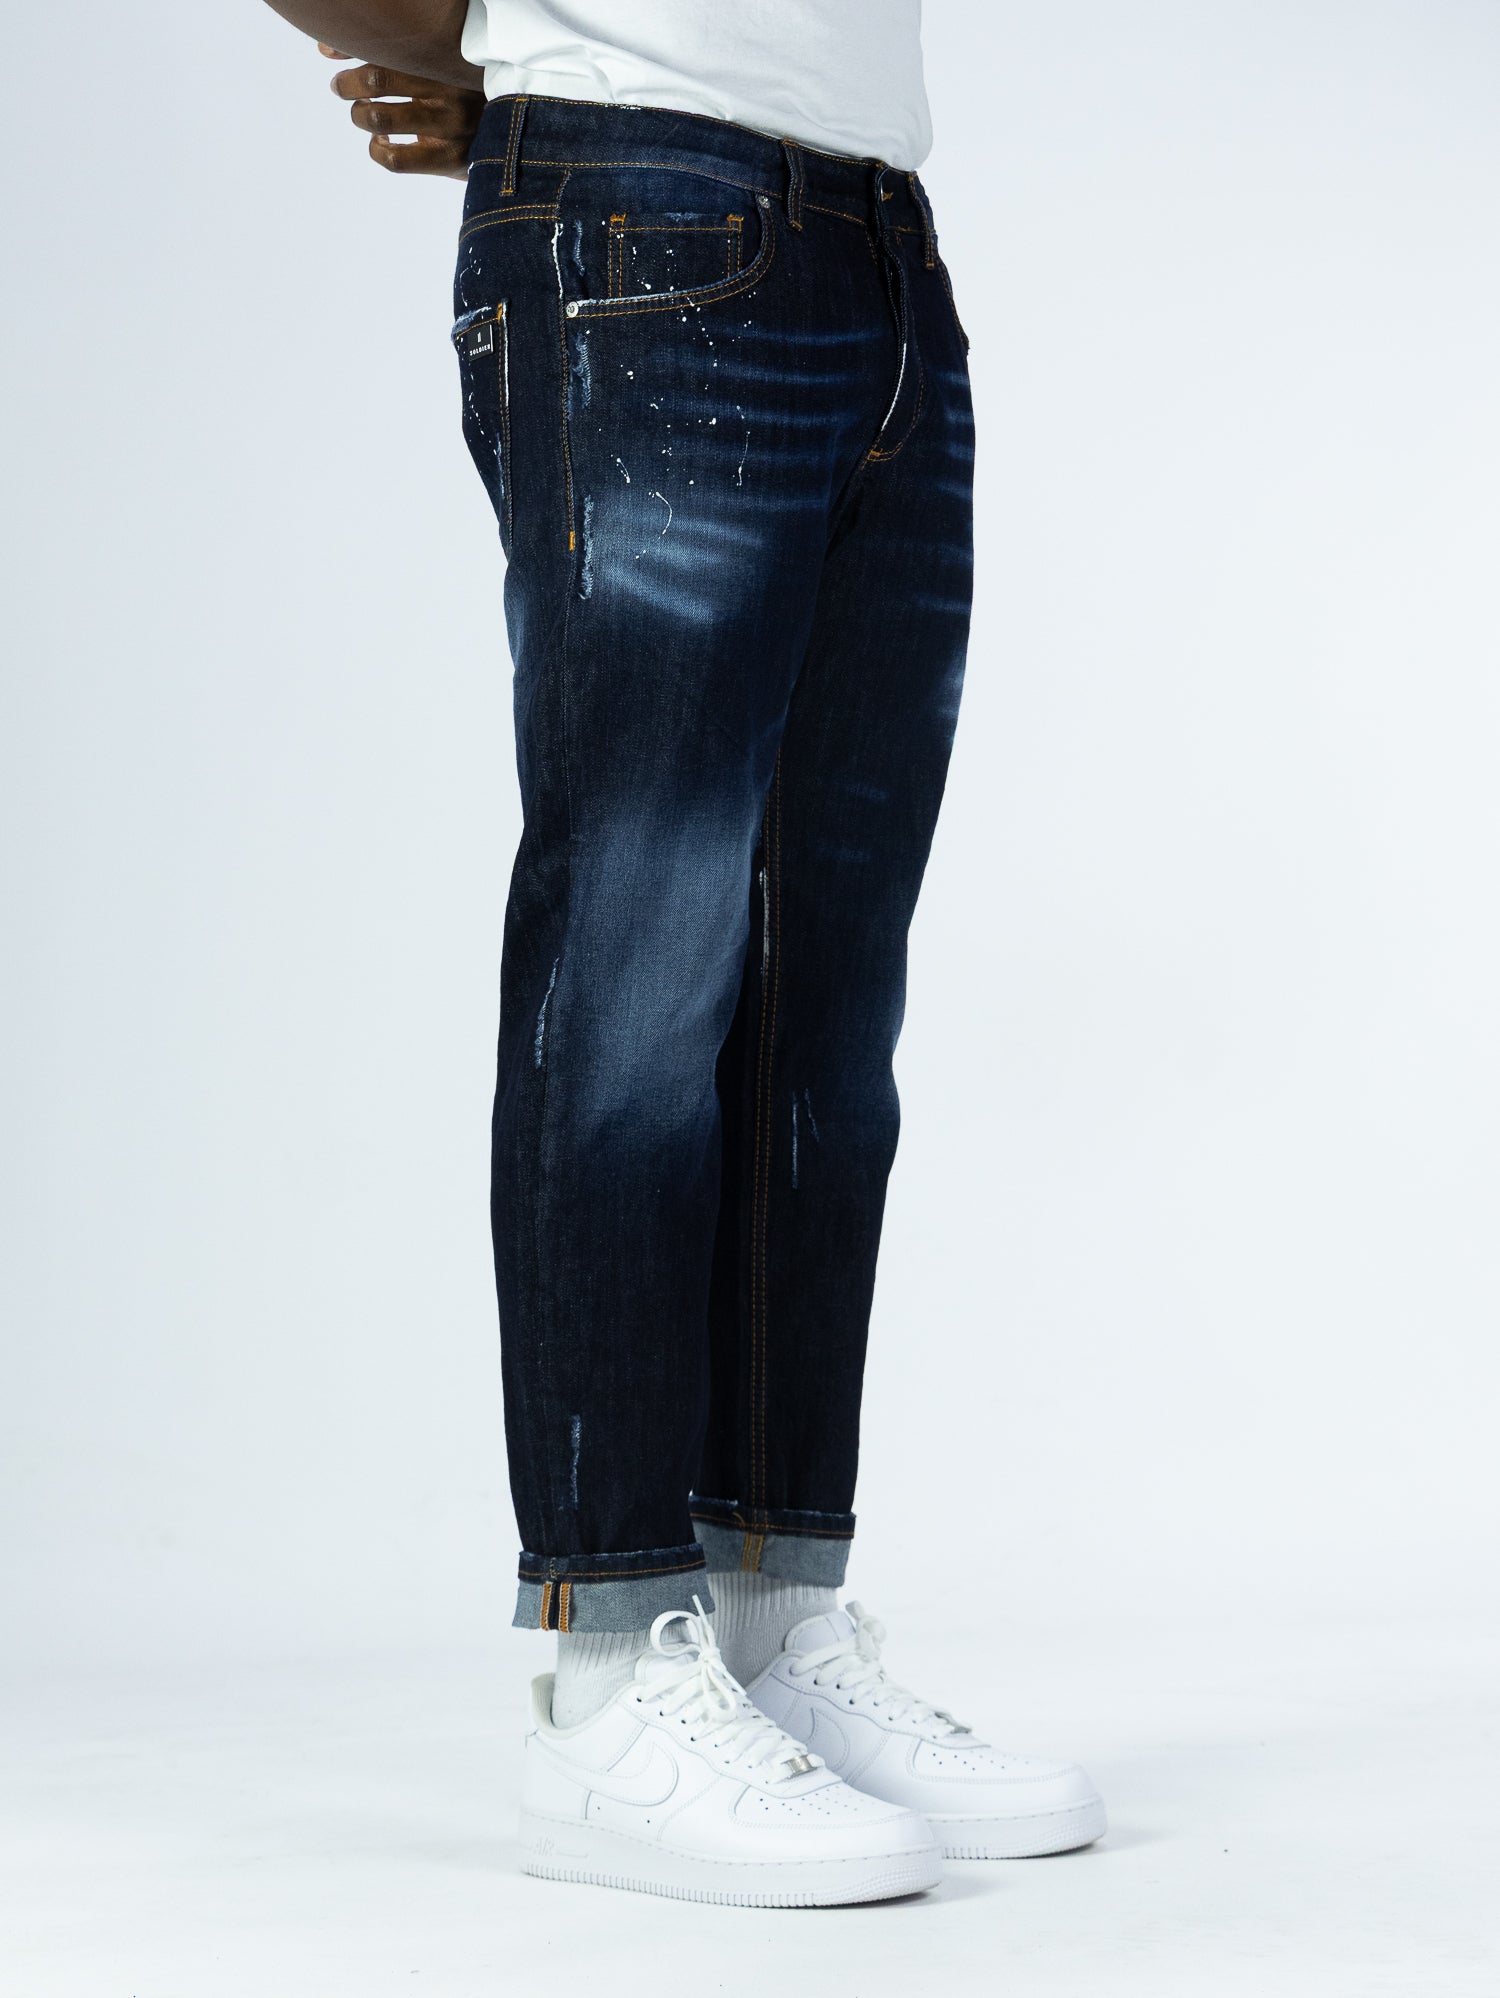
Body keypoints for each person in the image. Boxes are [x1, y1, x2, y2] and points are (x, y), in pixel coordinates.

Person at [264, 0, 1105, 1905]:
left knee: (826, 1008)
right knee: (638, 961)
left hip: (877, 237)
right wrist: (508, 63)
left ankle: (766, 1621)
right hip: (642, 206)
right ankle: (603, 1678)